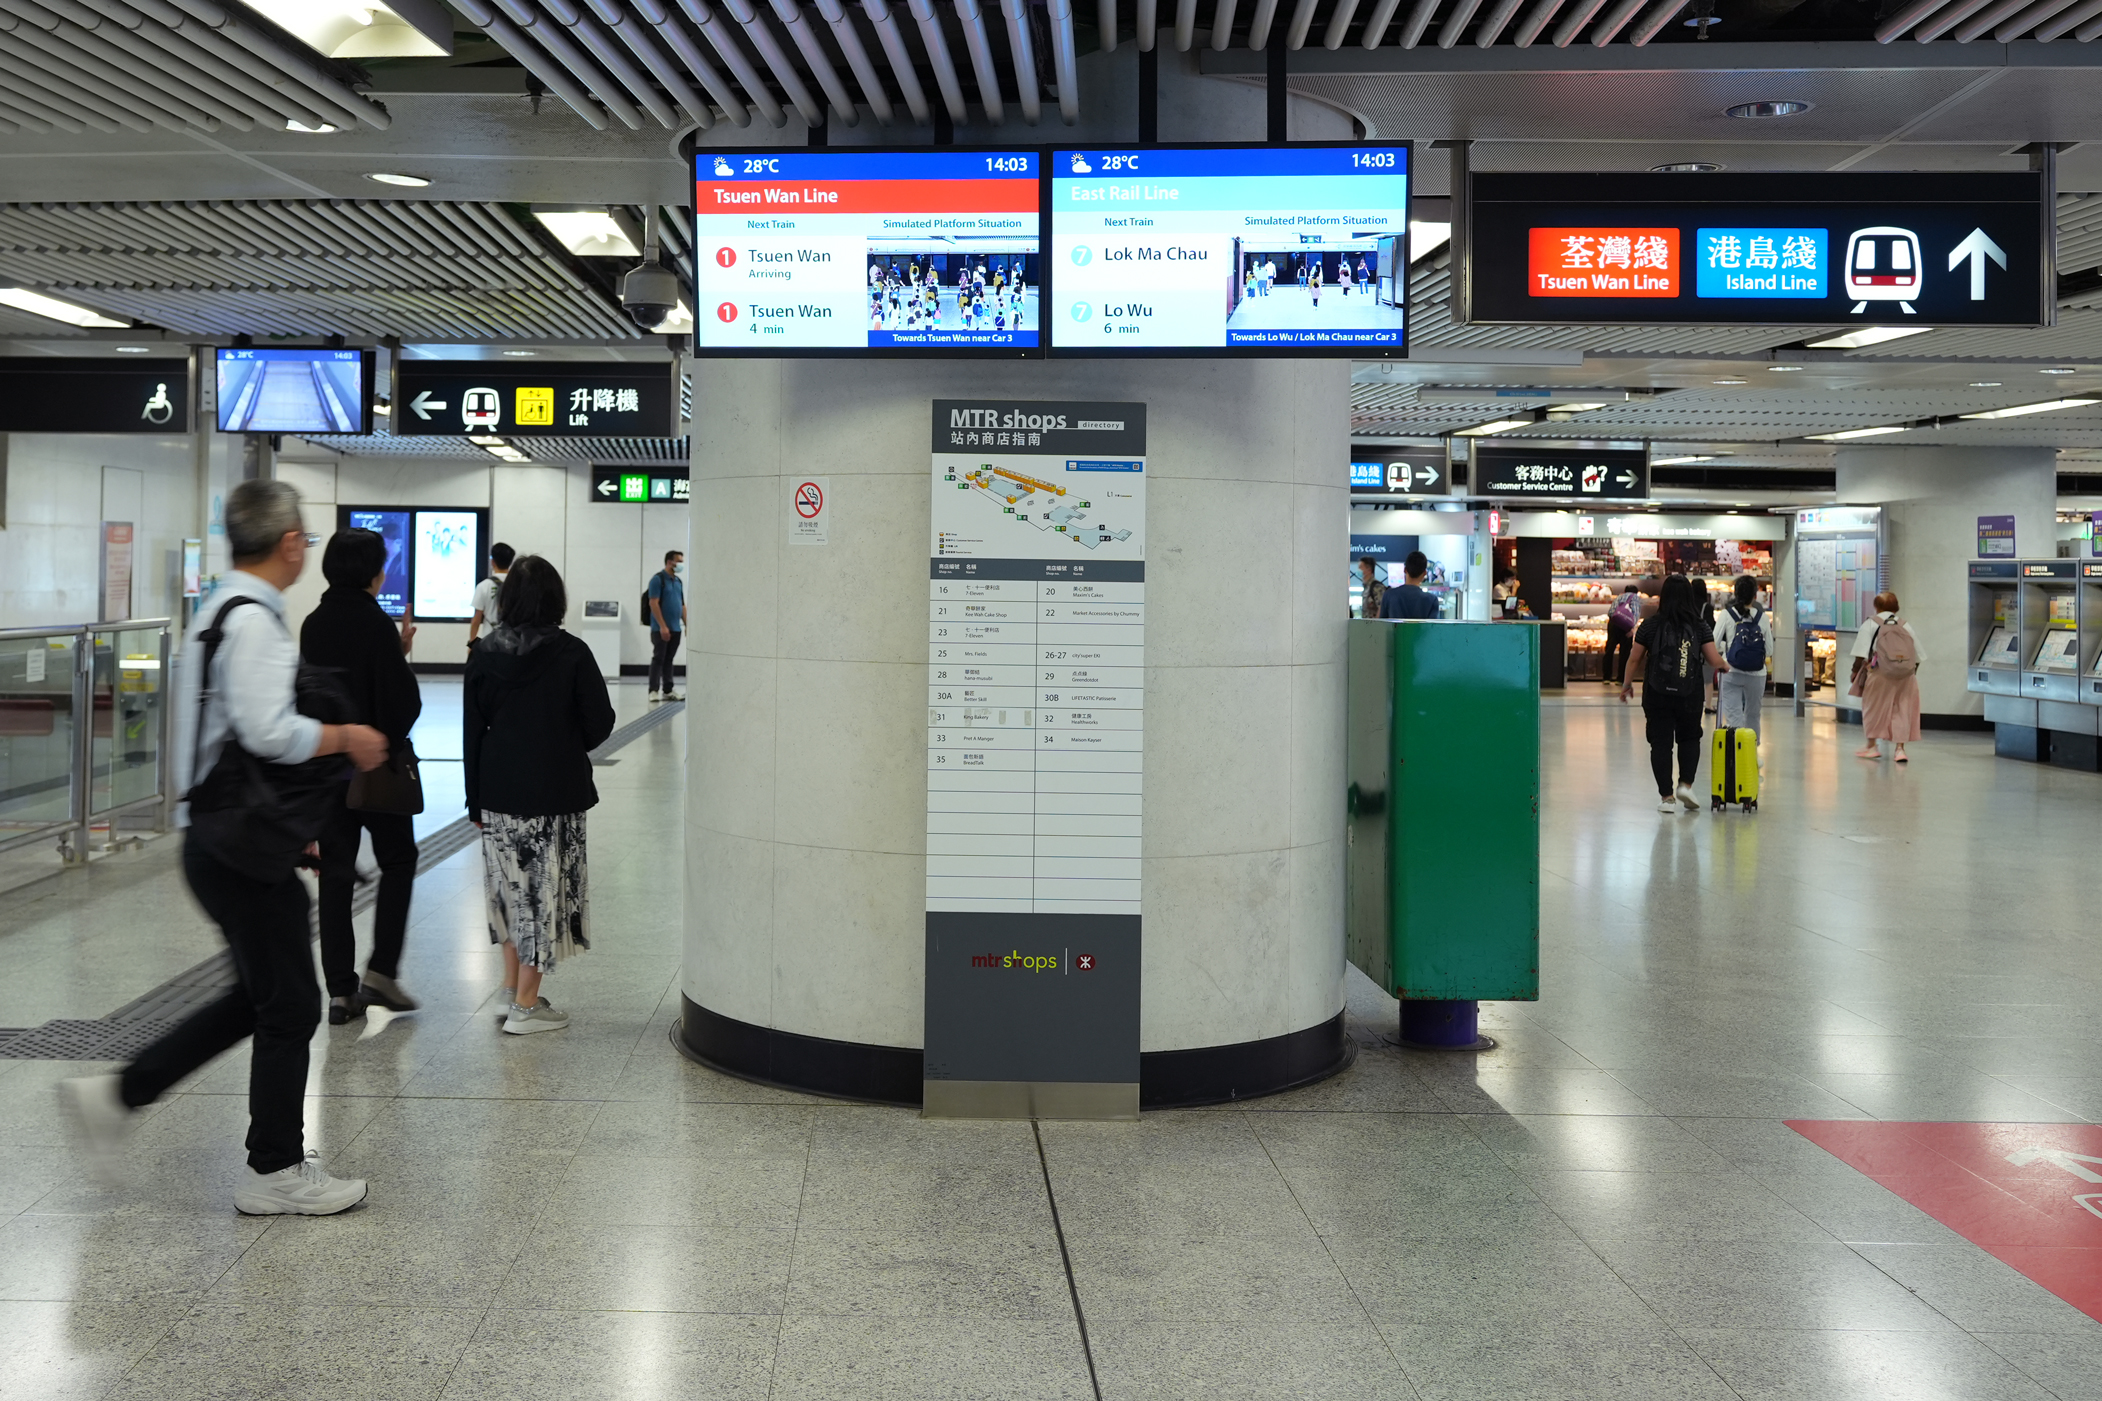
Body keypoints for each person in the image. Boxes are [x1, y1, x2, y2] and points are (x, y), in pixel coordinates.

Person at [59, 480, 387, 1214]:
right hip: (235, 850)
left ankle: (116, 1094)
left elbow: (219, 744)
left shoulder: (215, 610)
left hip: (217, 837)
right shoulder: (254, 624)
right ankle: (271, 1170)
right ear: (291, 543)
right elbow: (271, 731)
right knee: (292, 1002)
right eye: (302, 535)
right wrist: (347, 738)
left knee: (256, 996)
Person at [464, 556, 617, 1035]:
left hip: (499, 792)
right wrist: (564, 739)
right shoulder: (571, 652)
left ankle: (513, 989)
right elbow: (600, 723)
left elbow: (472, 733)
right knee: (542, 893)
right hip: (554, 792)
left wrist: (475, 802)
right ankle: (527, 1008)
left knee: (510, 891)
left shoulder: (485, 652)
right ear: (556, 599)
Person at [302, 528, 424, 1026]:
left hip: (326, 768)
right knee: (400, 859)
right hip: (374, 768)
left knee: (336, 871)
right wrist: (399, 654)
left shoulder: (313, 623)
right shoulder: (375, 624)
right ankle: (381, 971)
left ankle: (338, 991)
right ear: (375, 572)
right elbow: (402, 701)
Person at [1621, 574, 1731, 814]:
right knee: (1689, 738)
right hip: (1689, 693)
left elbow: (1634, 658)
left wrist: (1627, 684)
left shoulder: (1650, 625)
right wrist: (1724, 665)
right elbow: (1713, 659)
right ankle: (1686, 785)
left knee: (1660, 744)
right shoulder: (1699, 625)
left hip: (1656, 694)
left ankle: (1667, 797)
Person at [1851, 591, 1923, 762]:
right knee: (1902, 710)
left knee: (1873, 708)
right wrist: (1906, 672)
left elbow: (1860, 654)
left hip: (1879, 673)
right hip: (1906, 676)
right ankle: (1900, 750)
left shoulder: (1870, 624)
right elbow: (1918, 655)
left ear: (1877, 606)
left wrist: (1854, 672)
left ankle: (1871, 746)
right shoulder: (1905, 625)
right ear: (1896, 607)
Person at [1714, 574, 1774, 749]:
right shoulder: (1762, 618)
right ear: (1755, 596)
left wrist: (1727, 649)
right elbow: (1769, 650)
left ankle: (1736, 755)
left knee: (1734, 717)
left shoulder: (1726, 615)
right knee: (1753, 715)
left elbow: (1714, 643)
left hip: (1730, 671)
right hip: (1757, 674)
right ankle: (1752, 755)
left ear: (1735, 593)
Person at [647, 549, 687, 702]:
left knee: (669, 659)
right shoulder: (658, 580)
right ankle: (653, 690)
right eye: (680, 561)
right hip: (660, 629)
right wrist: (663, 626)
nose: (682, 565)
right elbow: (653, 603)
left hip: (676, 628)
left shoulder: (678, 582)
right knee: (659, 658)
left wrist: (686, 624)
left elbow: (682, 605)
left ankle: (668, 689)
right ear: (670, 561)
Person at [468, 542, 514, 646]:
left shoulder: (483, 586)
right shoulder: (518, 585)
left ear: (492, 562)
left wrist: (471, 642)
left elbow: (477, 619)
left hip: (488, 640)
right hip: (512, 642)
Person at [1380, 550, 1442, 619]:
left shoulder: (1389, 595)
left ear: (1405, 570)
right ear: (1424, 573)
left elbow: (1382, 625)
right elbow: (1432, 628)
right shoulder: (1432, 600)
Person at [1604, 584, 1641, 684]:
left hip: (1613, 624)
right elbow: (1636, 613)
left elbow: (1610, 612)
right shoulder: (1635, 598)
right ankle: (1620, 679)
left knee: (1609, 650)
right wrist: (1632, 628)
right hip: (1626, 627)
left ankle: (1606, 678)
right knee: (1624, 652)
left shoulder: (1619, 597)